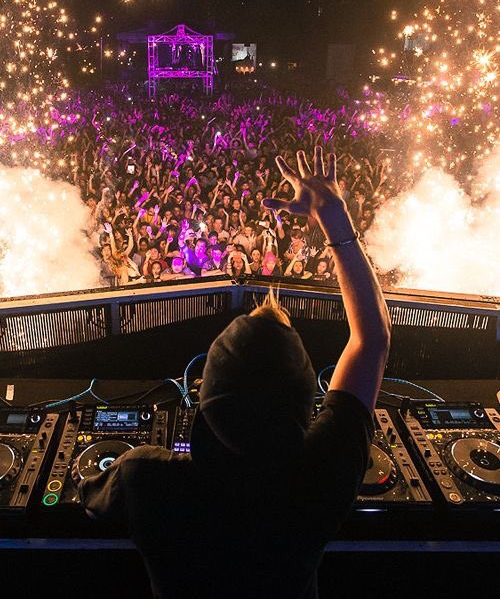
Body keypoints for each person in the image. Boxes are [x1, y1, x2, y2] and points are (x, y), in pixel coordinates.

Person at [75, 146, 391, 599]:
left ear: (205, 392)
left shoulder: (143, 476)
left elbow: (88, 502)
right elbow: (373, 339)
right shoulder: (325, 472)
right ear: (305, 400)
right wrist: (335, 220)